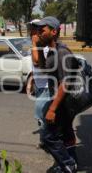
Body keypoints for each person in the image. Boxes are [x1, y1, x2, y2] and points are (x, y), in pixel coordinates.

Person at [31, 16, 78, 172]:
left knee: (47, 137)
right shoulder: (51, 51)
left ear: (53, 31)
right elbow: (43, 68)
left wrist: (52, 109)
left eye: (42, 30)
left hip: (63, 104)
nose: (38, 33)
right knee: (65, 135)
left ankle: (68, 164)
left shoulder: (62, 52)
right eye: (37, 30)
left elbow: (66, 83)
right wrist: (36, 46)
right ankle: (71, 162)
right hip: (59, 101)